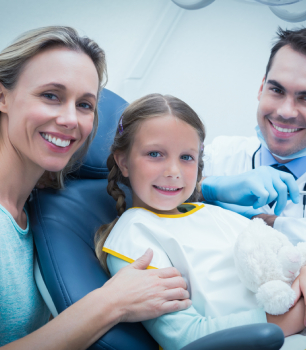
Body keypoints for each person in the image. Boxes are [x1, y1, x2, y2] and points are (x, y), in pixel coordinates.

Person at [94, 93, 306, 350]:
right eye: (155, 154)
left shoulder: (212, 213)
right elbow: (189, 337)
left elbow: (283, 258)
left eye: (186, 157)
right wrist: (300, 314)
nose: (173, 171)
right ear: (123, 161)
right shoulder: (135, 235)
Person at [0, 26, 192, 349]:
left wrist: (210, 190)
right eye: (51, 96)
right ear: (3, 97)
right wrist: (111, 302)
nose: (70, 119)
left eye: (85, 105)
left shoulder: (42, 196)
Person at [201, 27, 306, 327]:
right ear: (261, 88)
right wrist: (208, 189)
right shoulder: (219, 155)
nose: (285, 111)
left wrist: (270, 224)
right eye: (276, 90)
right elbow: (150, 190)